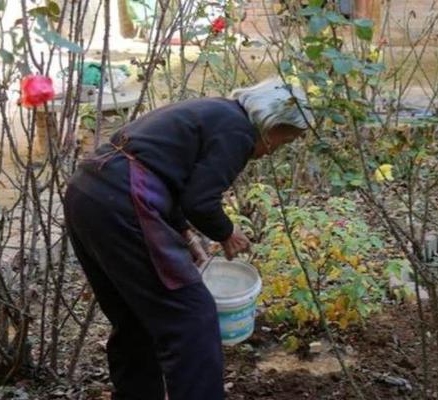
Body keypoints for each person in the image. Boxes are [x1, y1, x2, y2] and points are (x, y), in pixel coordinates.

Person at [63, 77, 309, 400]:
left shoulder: (216, 113)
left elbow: (164, 171)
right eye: (284, 140)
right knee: (192, 318)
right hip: (122, 200)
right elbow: (200, 200)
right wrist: (226, 232)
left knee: (135, 318)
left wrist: (184, 234)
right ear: (271, 125)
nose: (275, 150)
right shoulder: (239, 131)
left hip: (88, 192)